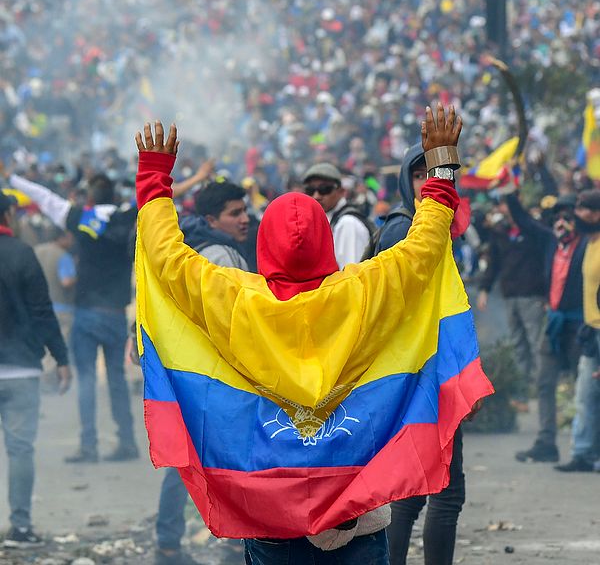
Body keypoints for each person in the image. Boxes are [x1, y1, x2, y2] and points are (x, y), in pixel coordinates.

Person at [133, 105, 491, 564]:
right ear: (327, 239)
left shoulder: (236, 298)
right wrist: (441, 164)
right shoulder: (362, 291)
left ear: (264, 243)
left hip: (268, 509)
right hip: (355, 511)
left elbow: (167, 257)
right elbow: (426, 244)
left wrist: (154, 176)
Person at [4, 169, 139, 462]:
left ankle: (88, 446)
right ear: (115, 196)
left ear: (89, 197)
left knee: (87, 380)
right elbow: (158, 195)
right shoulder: (129, 217)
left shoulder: (79, 218)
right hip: (116, 314)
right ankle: (127, 442)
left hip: (87, 313)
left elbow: (45, 197)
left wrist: (12, 177)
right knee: (116, 379)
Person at [375, 144, 465, 565]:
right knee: (443, 493)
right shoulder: (403, 229)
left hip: (428, 371)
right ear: (403, 182)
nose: (426, 182)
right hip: (421, 375)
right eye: (417, 175)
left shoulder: (431, 226)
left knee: (416, 493)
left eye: (434, 174)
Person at [155, 180, 250, 565]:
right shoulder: (221, 258)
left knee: (191, 458)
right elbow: (232, 327)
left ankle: (170, 542)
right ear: (212, 218)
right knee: (220, 459)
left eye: (244, 210)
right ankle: (231, 537)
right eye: (235, 213)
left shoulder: (190, 250)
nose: (245, 219)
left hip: (195, 375)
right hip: (218, 379)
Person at [0, 191, 72, 548]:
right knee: (20, 450)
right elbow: (42, 311)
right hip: (20, 371)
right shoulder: (21, 254)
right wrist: (61, 358)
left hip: (21, 368)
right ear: (10, 214)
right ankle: (21, 527)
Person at [509, 192, 588, 463]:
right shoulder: (550, 243)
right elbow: (524, 222)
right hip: (553, 324)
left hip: (581, 325)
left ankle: (587, 447)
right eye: (557, 217)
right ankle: (546, 442)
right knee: (545, 383)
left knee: (586, 385)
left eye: (568, 217)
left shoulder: (589, 245)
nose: (562, 223)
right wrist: (510, 194)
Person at [476, 197, 547, 411]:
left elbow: (546, 260)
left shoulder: (533, 230)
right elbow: (493, 263)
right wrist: (485, 289)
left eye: (505, 204)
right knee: (518, 346)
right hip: (510, 294)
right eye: (499, 204)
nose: (500, 208)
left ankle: (544, 392)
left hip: (532, 295)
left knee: (537, 345)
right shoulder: (500, 232)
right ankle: (521, 394)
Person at [554, 189, 600, 472]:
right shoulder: (588, 243)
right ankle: (582, 454)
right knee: (584, 394)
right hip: (590, 331)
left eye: (584, 209)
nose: (578, 214)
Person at [302, 162, 372, 268]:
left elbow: (352, 276)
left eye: (324, 189)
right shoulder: (331, 219)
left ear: (341, 192)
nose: (316, 196)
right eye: (310, 191)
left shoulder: (348, 224)